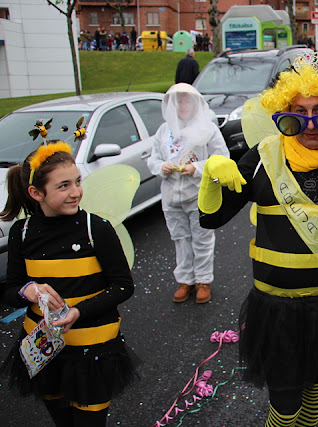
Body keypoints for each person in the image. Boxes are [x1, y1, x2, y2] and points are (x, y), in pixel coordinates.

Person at [198, 53, 318, 426]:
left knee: (313, 391)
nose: (309, 124)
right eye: (297, 113)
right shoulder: (261, 157)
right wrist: (211, 174)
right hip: (275, 309)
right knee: (285, 405)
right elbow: (211, 219)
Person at [0, 141, 138, 426]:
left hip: (93, 348)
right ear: (36, 193)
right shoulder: (22, 232)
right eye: (63, 186)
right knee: (62, 419)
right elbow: (9, 289)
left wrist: (79, 311)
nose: (76, 192)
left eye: (77, 181)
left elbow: (123, 285)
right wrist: (28, 290)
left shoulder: (96, 228)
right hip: (45, 349)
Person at [147, 83, 229, 304]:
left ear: (196, 103)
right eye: (179, 100)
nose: (183, 105)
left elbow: (222, 158)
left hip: (198, 195)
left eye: (187, 100)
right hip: (171, 196)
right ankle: (185, 280)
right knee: (180, 239)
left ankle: (203, 280)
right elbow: (152, 159)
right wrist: (160, 167)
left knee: (202, 238)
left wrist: (197, 168)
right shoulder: (164, 131)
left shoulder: (208, 129)